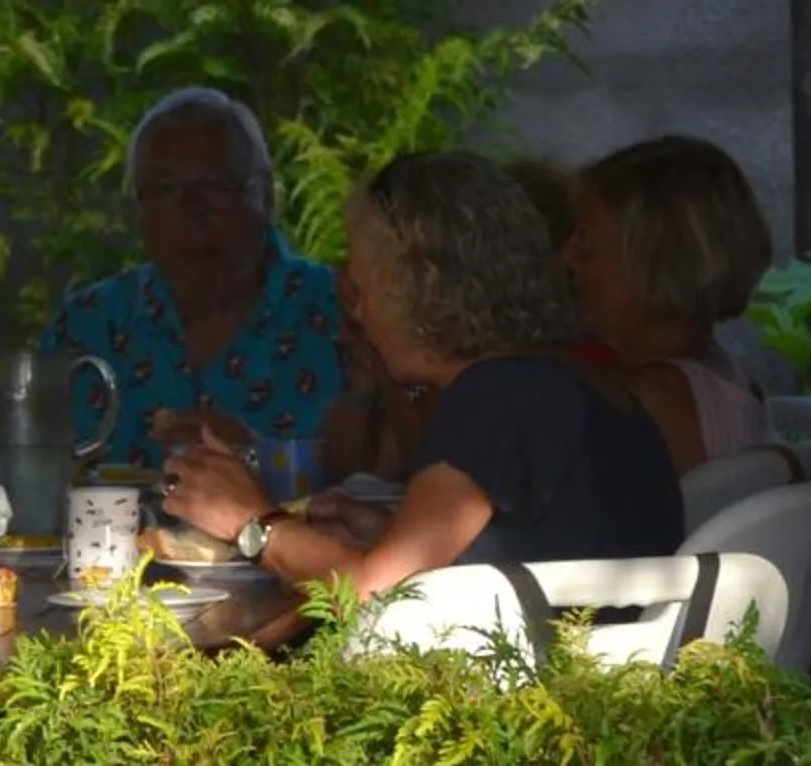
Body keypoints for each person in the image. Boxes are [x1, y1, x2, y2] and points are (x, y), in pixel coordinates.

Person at [161, 152, 680, 593]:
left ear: (419, 290)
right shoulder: (566, 379)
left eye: (364, 289)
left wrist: (251, 524)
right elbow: (542, 546)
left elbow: (373, 593)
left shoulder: (499, 398)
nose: (357, 313)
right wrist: (386, 530)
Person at [37, 88, 345, 468]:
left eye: (219, 187)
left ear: (266, 196)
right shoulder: (88, 324)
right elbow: (24, 475)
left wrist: (259, 458)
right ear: (137, 210)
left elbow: (402, 485)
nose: (192, 211)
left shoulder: (340, 312)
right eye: (165, 190)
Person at [565, 135, 777, 471]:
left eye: (587, 244)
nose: (568, 259)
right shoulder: (716, 376)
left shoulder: (653, 398)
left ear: (652, 263)